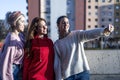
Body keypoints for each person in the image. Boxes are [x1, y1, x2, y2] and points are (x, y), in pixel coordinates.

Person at [54, 15, 114, 80]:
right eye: (63, 23)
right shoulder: (57, 44)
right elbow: (57, 64)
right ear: (58, 25)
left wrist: (104, 30)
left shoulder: (76, 35)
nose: (66, 24)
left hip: (82, 73)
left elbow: (90, 33)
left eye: (67, 22)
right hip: (68, 76)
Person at [0, 11, 26, 80]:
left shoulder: (20, 36)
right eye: (22, 22)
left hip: (18, 70)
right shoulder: (11, 41)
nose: (24, 24)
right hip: (12, 71)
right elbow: (5, 63)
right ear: (15, 23)